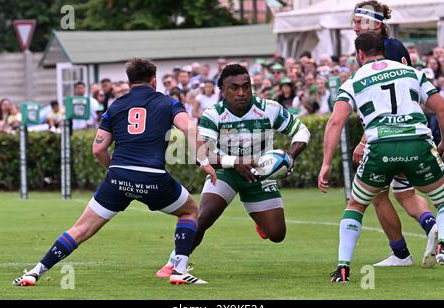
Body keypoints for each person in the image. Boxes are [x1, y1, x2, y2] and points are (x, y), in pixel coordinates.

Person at [12, 58, 217, 287]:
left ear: (129, 82)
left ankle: (35, 271)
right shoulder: (167, 103)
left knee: (80, 229)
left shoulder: (116, 105)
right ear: (154, 80)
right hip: (152, 177)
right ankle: (178, 269)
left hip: (118, 177)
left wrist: (115, 171)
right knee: (189, 211)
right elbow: (189, 127)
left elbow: (98, 149)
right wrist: (203, 160)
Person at [156, 64, 311, 277]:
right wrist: (235, 162)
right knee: (205, 214)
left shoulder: (270, 108)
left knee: (277, 234)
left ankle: (262, 223)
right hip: (225, 171)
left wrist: (291, 155)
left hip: (259, 174)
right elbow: (203, 153)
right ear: (223, 90)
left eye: (246, 87)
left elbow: (301, 131)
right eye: (234, 88)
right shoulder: (214, 114)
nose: (242, 93)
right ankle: (174, 261)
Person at [319, 32, 444, 282]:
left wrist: (325, 164)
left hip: (379, 148)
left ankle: (343, 268)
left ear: (359, 54)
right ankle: (442, 243)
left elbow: (336, 122)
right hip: (417, 143)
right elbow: (440, 106)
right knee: (441, 199)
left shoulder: (354, 80)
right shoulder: (412, 72)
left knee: (356, 205)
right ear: (383, 51)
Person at [351, 0, 438, 267]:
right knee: (405, 193)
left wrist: (363, 140)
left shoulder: (379, 53)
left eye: (358, 20)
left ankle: (401, 253)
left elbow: (386, 101)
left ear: (375, 23)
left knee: (377, 195)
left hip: (389, 135)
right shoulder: (394, 47)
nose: (353, 25)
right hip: (412, 131)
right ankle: (433, 227)